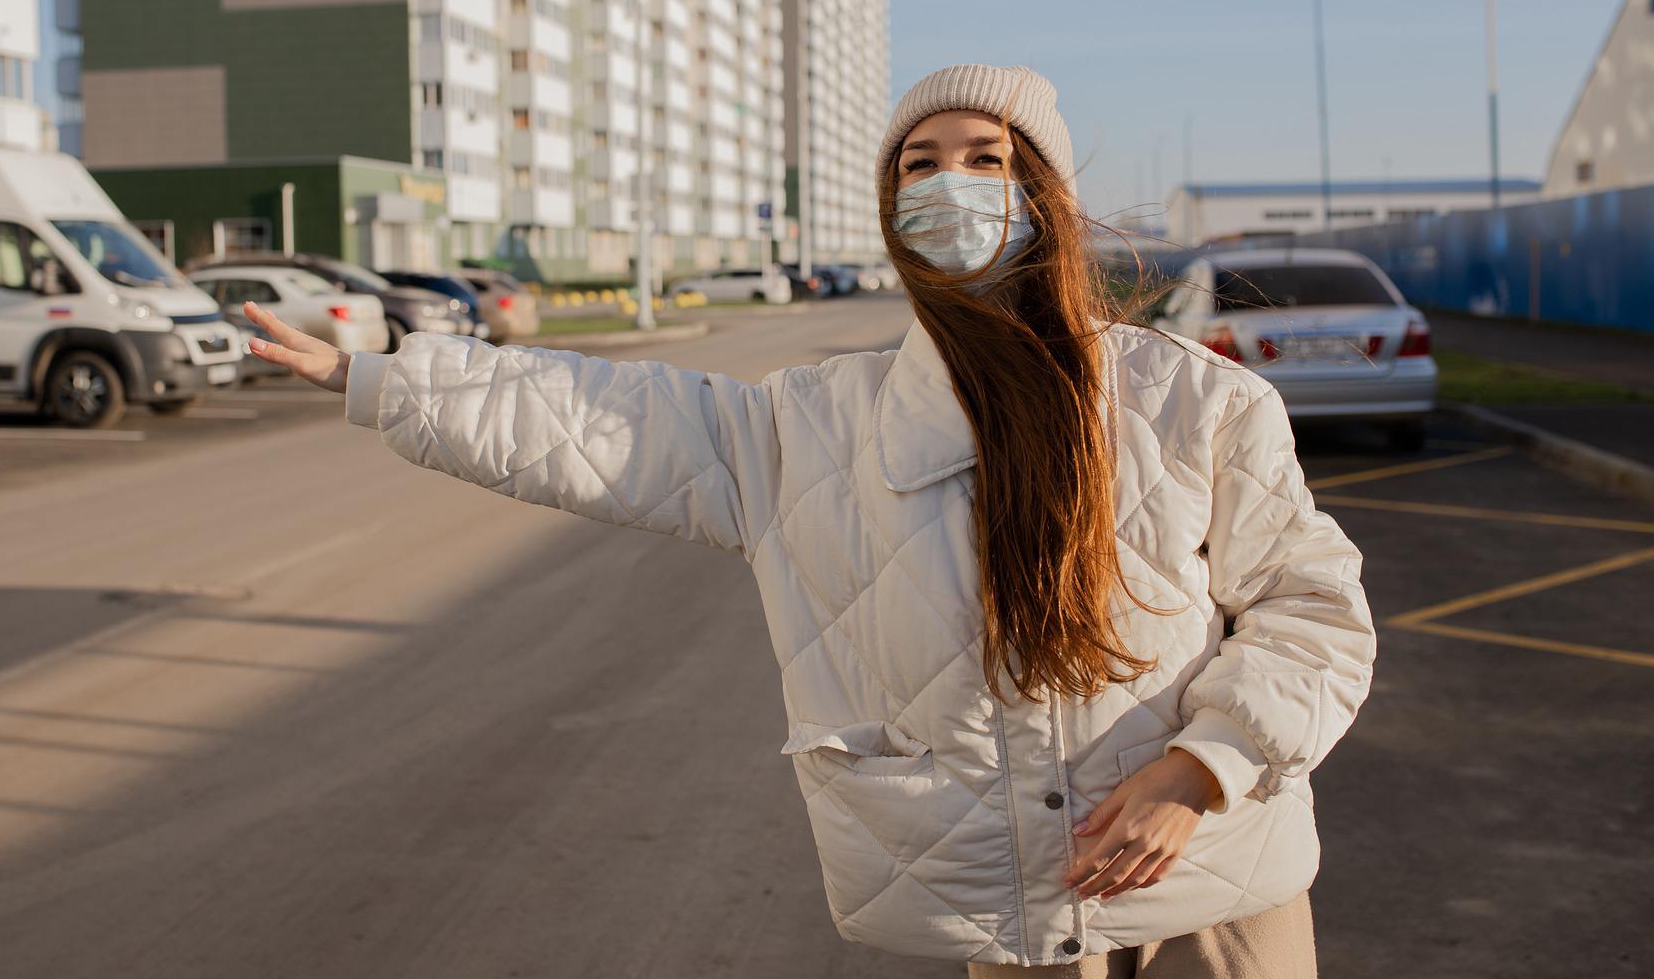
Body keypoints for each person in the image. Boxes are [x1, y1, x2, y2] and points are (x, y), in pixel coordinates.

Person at [244, 65, 1375, 976]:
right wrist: (387, 377)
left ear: (1044, 193)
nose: (951, 182)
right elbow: (591, 416)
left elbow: (1315, 613)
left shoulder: (1196, 397)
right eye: (920, 164)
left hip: (1220, 884)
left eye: (986, 159)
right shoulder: (813, 421)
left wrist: (1203, 766)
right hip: (1020, 909)